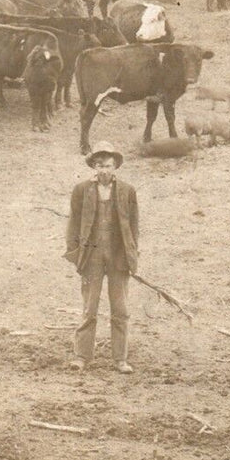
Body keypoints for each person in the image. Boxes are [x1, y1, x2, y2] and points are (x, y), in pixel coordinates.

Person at [63, 141, 140, 373]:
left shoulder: (127, 191)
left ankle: (120, 359)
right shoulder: (81, 190)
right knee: (89, 308)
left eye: (108, 165)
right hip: (92, 255)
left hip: (118, 256)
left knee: (120, 309)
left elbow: (134, 226)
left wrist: (132, 255)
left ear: (115, 165)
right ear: (93, 167)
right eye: (99, 165)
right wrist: (76, 254)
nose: (104, 170)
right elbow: (73, 224)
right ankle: (81, 356)